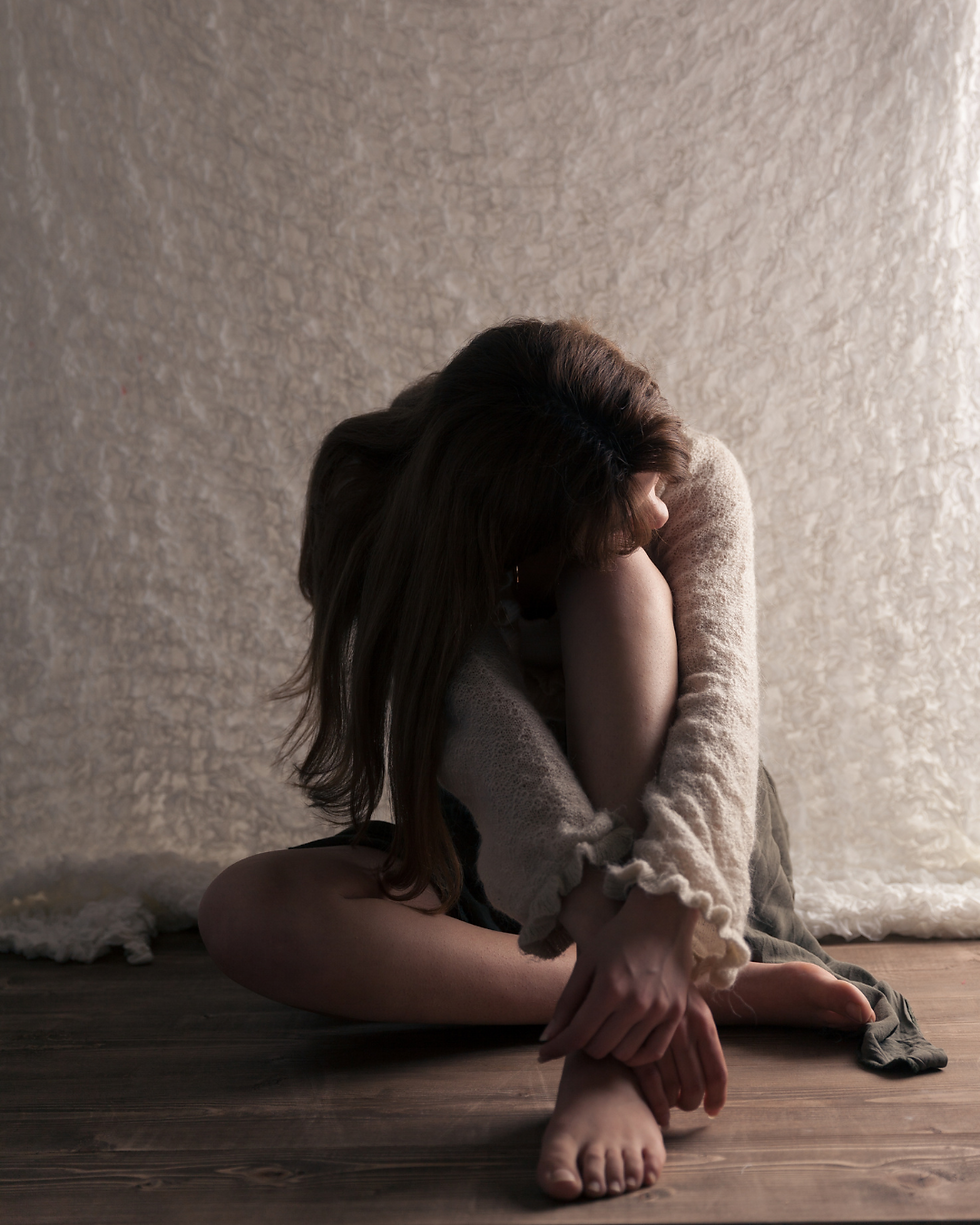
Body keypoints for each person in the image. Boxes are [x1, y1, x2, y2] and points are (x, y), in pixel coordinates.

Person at [197, 318, 945, 1202]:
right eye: (640, 498)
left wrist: (664, 916)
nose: (664, 509)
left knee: (619, 576)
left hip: (690, 832)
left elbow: (721, 709)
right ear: (515, 545)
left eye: (657, 482)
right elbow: (485, 743)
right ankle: (685, 990)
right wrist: (603, 932)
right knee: (244, 910)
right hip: (505, 843)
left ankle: (615, 1045)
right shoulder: (385, 523)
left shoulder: (692, 475)